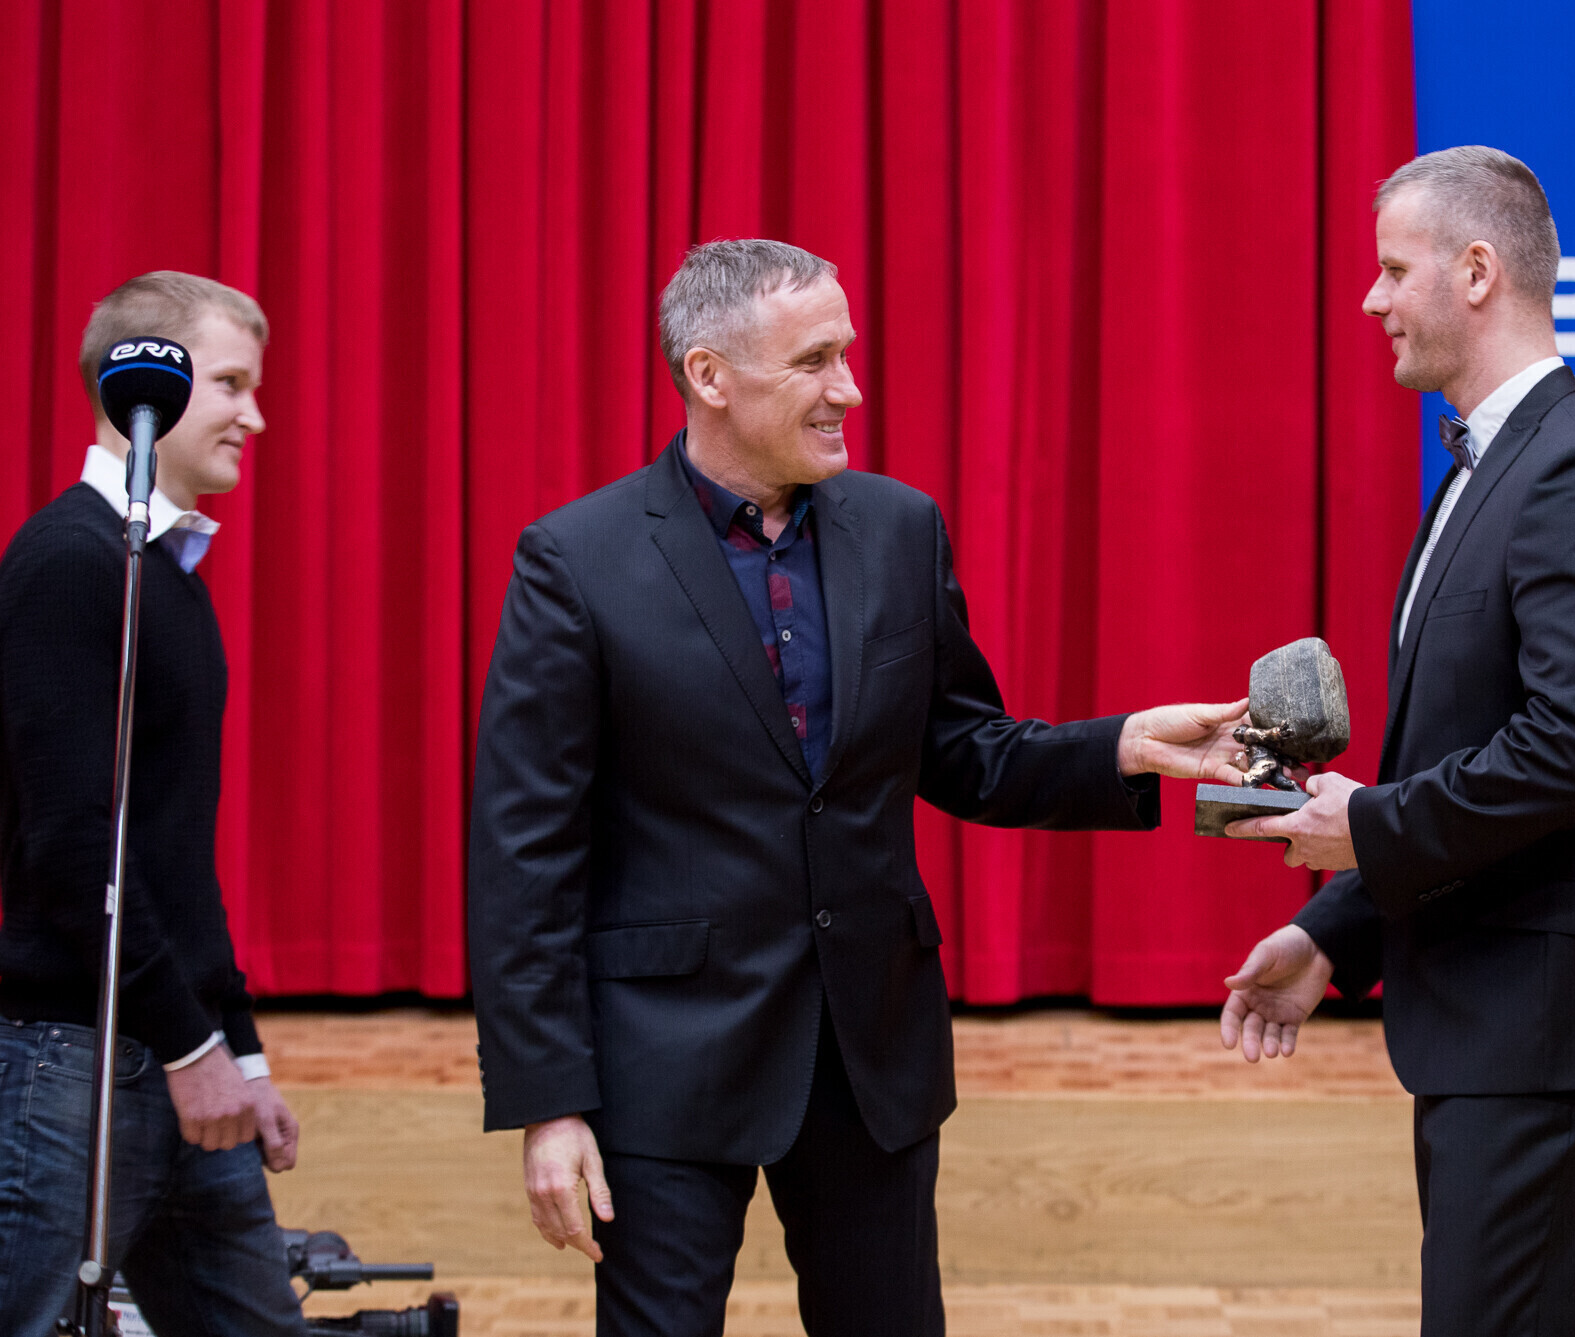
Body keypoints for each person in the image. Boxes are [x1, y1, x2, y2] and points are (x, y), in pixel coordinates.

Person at [468, 238, 1248, 1336]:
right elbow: (524, 853)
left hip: (870, 1052)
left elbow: (965, 749)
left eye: (846, 353)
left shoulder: (898, 528)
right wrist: (549, 1101)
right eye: (814, 361)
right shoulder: (575, 559)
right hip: (662, 1062)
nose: (850, 388)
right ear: (709, 375)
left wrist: (1124, 746)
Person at [1219, 147, 1575, 1336]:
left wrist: (1364, 824)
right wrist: (1335, 927)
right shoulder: (1492, 465)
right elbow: (1471, 750)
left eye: (1390, 270)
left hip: (1554, 1027)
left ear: (1474, 271)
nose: (1370, 300)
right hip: (1501, 1022)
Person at [0, 272, 305, 1336]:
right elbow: (73, 846)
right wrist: (193, 1049)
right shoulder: (70, 564)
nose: (254, 417)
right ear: (145, 388)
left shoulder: (164, 575)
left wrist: (238, 1051)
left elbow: (173, 856)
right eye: (231, 384)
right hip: (74, 1068)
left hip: (177, 1056)